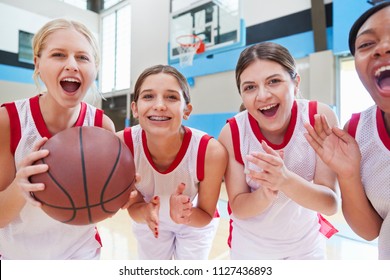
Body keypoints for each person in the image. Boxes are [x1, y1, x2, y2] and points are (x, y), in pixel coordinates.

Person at [0, 18, 116, 259]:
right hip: (15, 255)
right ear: (37, 64)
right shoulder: (8, 120)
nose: (72, 65)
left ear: (95, 68)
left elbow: (104, 203)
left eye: (83, 57)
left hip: (79, 253)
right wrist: (19, 186)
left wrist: (121, 194)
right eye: (59, 55)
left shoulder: (102, 126)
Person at [218, 42, 340, 259]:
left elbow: (330, 204)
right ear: (242, 95)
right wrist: (266, 194)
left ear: (295, 83)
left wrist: (285, 180)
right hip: (251, 249)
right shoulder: (232, 132)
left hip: (306, 247)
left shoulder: (318, 118)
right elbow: (238, 206)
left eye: (274, 81)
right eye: (250, 87)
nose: (263, 95)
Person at [304, 2, 390, 260]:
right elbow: (369, 230)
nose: (383, 48)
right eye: (366, 44)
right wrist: (348, 174)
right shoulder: (355, 132)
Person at [116, 64, 228, 260]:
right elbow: (134, 208)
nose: (159, 105)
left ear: (187, 110)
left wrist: (186, 215)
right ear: (134, 108)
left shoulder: (210, 151)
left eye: (172, 97)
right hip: (150, 219)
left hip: (195, 220)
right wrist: (146, 211)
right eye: (148, 96)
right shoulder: (121, 145)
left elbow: (205, 215)